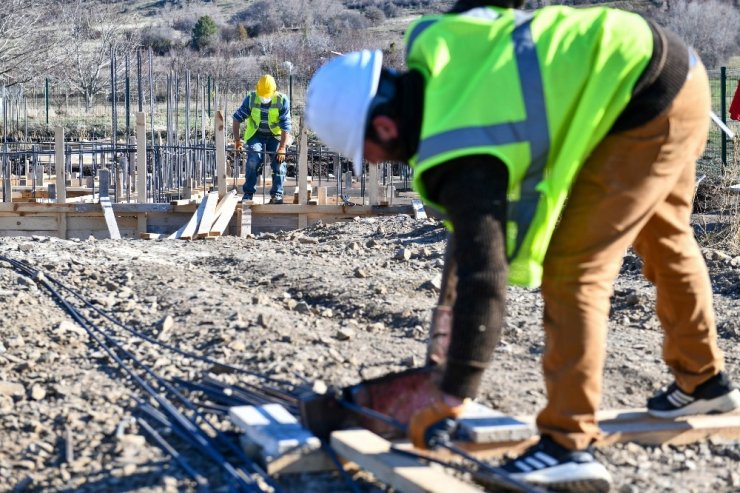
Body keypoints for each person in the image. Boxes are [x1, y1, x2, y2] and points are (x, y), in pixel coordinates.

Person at [305, 0, 740, 491]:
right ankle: (703, 381)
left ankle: (567, 447)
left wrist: (452, 394)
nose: (380, 164)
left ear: (384, 127)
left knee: (573, 268)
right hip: (674, 70)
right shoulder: (447, 41)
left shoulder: (462, 157)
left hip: (640, 102)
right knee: (665, 236)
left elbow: (484, 277)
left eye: (371, 156)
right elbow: (467, 242)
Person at [233, 74, 292, 203]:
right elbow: (237, 118)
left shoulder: (282, 100)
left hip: (275, 136)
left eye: (267, 95)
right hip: (256, 135)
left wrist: (282, 147)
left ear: (274, 91)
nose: (264, 98)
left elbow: (286, 126)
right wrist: (237, 140)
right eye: (262, 95)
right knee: (253, 160)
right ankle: (248, 193)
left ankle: (277, 195)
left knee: (279, 163)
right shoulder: (251, 98)